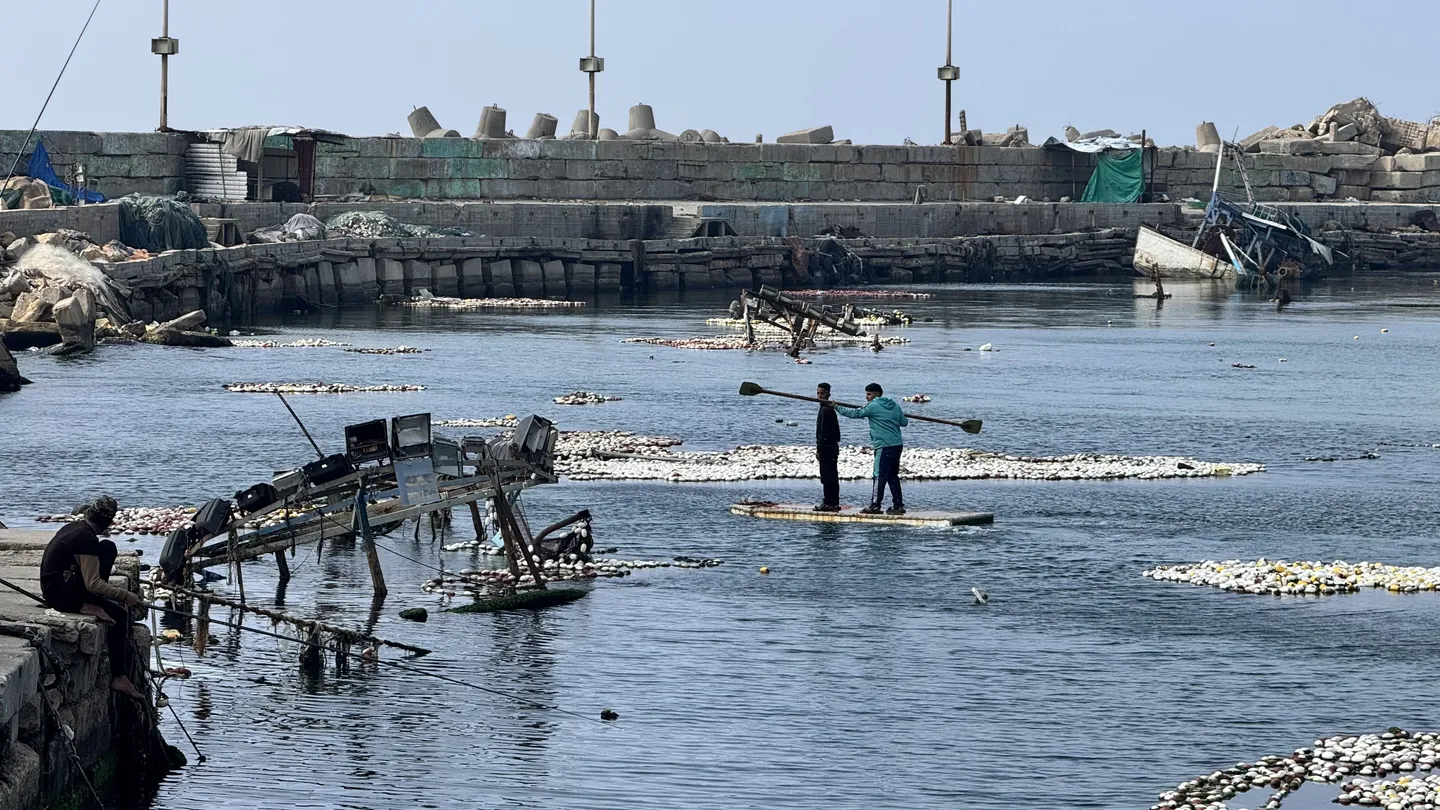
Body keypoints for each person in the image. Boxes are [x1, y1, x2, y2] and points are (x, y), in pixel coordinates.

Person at [39, 495, 145, 699]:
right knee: (119, 616)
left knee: (107, 548)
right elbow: (93, 583)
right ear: (109, 522)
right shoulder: (85, 538)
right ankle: (120, 678)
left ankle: (88, 601)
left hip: (57, 589)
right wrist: (125, 594)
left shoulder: (76, 528)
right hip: (61, 596)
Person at [834, 383, 908, 515]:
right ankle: (898, 506)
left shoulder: (873, 405)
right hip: (897, 445)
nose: (866, 397)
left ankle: (875, 505)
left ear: (877, 394)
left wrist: (836, 407)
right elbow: (904, 422)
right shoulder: (895, 406)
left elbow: (855, 414)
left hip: (883, 446)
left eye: (869, 394)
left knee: (879, 475)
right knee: (892, 476)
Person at [814, 382, 841, 512]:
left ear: (829, 394)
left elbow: (824, 433)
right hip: (830, 447)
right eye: (818, 393)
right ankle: (831, 501)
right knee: (828, 476)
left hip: (828, 447)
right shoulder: (824, 408)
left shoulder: (827, 410)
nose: (820, 395)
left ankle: (831, 503)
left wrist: (819, 449)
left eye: (822, 393)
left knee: (828, 476)